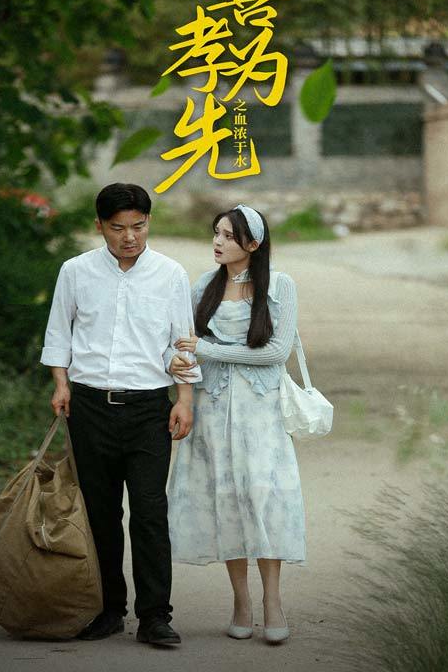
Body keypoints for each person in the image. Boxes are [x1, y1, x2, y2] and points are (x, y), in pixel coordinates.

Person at [40, 182, 201, 645]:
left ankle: (155, 616)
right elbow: (59, 331)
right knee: (100, 513)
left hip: (149, 409)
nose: (129, 237)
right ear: (100, 226)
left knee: (149, 512)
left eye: (138, 226)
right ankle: (109, 609)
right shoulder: (76, 271)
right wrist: (61, 383)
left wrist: (184, 399)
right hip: (90, 406)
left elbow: (182, 341)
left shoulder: (170, 274)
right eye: (117, 228)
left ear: (149, 222)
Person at [166, 204, 306, 644]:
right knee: (225, 499)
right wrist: (178, 361)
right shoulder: (203, 287)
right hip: (211, 409)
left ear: (253, 243)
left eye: (228, 236)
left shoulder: (279, 285)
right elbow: (181, 345)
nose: (218, 242)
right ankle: (241, 602)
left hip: (260, 414)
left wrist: (208, 349)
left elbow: (276, 352)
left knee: (263, 497)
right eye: (216, 233)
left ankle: (273, 602)